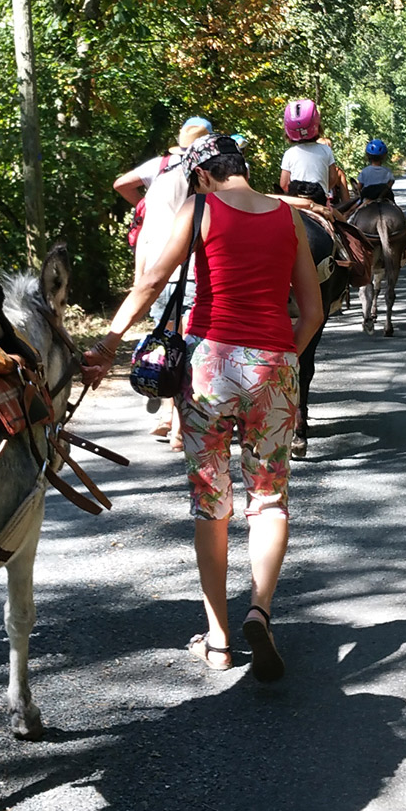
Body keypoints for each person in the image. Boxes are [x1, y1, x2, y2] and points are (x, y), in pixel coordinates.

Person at [82, 135, 325, 682]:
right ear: (242, 168)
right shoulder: (288, 220)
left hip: (211, 366)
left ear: (202, 175)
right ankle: (259, 610)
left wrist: (108, 343)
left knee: (211, 503)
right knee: (269, 500)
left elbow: (151, 280)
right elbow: (310, 310)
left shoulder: (202, 208)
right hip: (274, 368)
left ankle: (217, 638)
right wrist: (282, 359)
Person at [126, 117, 213, 446]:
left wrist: (140, 279)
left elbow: (123, 185)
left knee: (165, 342)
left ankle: (166, 412)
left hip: (155, 269)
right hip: (188, 272)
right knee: (186, 348)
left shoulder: (158, 169)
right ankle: (180, 426)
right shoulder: (200, 175)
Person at [277, 99, 348, 206]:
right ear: (317, 125)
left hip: (297, 204)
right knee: (341, 220)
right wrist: (322, 188)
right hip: (320, 203)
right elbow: (333, 178)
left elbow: (284, 184)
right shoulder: (326, 150)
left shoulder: (289, 153)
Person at [353, 138, 396, 204]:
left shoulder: (365, 171)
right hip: (385, 197)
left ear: (367, 156)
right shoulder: (387, 171)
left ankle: (346, 214)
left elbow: (359, 187)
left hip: (367, 198)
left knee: (354, 210)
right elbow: (390, 184)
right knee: (396, 210)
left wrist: (357, 189)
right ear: (384, 156)